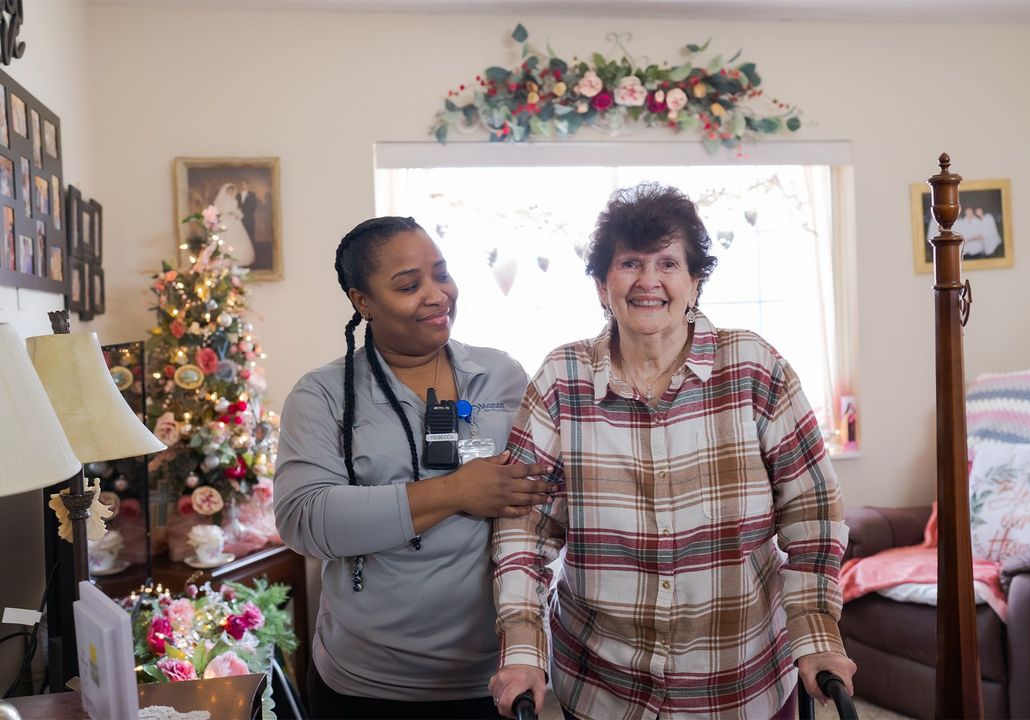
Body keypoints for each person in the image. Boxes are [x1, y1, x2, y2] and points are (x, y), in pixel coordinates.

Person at [488, 184, 856, 720]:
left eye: (668, 263)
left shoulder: (753, 366)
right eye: (629, 263)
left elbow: (813, 516)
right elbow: (526, 532)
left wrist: (817, 631)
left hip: (741, 683)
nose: (649, 280)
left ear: (694, 281)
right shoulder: (560, 378)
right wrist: (523, 647)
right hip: (602, 686)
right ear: (601, 284)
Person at [274, 216, 555, 720]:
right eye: (409, 285)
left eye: (441, 274)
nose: (437, 294)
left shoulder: (501, 376)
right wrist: (456, 492)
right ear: (363, 302)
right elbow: (305, 519)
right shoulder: (322, 395)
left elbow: (536, 497)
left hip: (494, 676)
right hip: (368, 684)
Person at [211, 182, 254, 266]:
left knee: (238, 238)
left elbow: (236, 209)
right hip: (225, 220)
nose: (231, 192)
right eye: (229, 190)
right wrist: (228, 212)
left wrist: (237, 214)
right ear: (226, 191)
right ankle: (224, 259)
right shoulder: (222, 200)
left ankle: (237, 258)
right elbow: (218, 210)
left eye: (232, 190)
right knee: (225, 238)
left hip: (234, 220)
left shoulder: (234, 199)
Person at [237, 179, 259, 243]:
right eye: (241, 184)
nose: (243, 186)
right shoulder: (238, 195)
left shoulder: (252, 195)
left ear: (248, 185)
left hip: (249, 218)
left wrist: (246, 213)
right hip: (240, 219)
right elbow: (236, 206)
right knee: (240, 235)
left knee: (250, 234)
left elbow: (254, 206)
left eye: (244, 184)